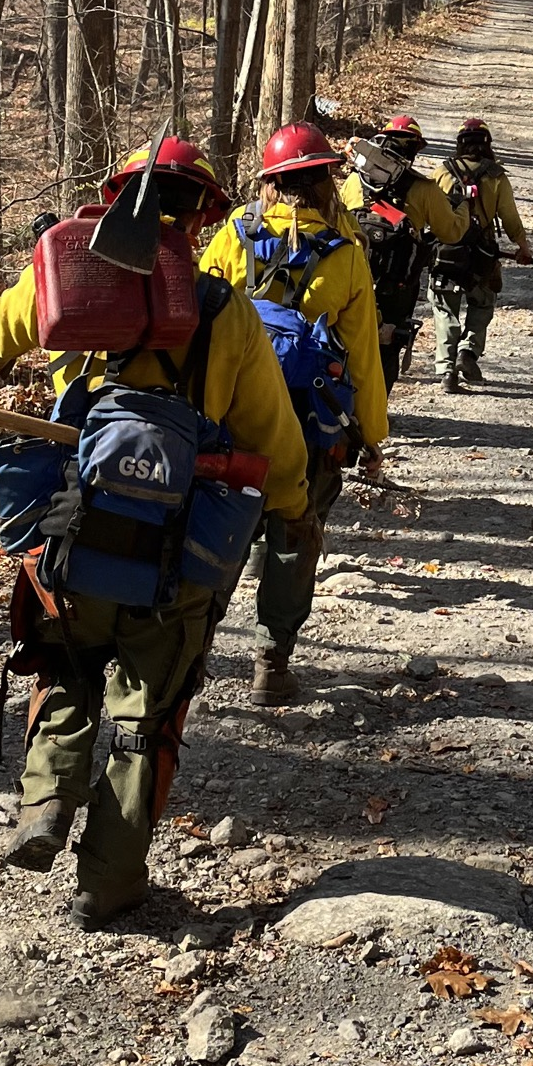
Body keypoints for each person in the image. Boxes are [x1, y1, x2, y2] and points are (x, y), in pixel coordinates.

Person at [0, 137, 312, 929]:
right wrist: (292, 505)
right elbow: (274, 437)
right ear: (199, 219)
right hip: (178, 547)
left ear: (115, 200)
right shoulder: (223, 311)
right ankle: (110, 881)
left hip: (74, 529)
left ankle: (45, 800)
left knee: (64, 663)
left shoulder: (66, 281)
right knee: (147, 714)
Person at [201, 122, 390, 706]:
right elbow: (363, 358)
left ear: (270, 184)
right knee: (295, 531)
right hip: (309, 425)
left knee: (212, 528)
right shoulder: (347, 257)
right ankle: (271, 663)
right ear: (327, 183)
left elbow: (197, 323)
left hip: (229, 412)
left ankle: (194, 644)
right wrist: (371, 435)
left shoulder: (234, 235)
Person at [338, 114, 470, 388]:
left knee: (341, 338)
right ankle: (375, 415)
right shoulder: (425, 190)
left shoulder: (353, 182)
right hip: (396, 283)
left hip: (348, 275)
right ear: (413, 150)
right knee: (388, 344)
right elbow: (451, 233)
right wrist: (463, 206)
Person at [430, 118, 531, 392]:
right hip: (482, 254)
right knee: (483, 302)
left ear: (459, 144)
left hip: (446, 252)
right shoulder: (497, 176)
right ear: (487, 145)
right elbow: (510, 218)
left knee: (444, 308)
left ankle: (447, 370)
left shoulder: (442, 172)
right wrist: (522, 246)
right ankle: (468, 352)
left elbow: (425, 209)